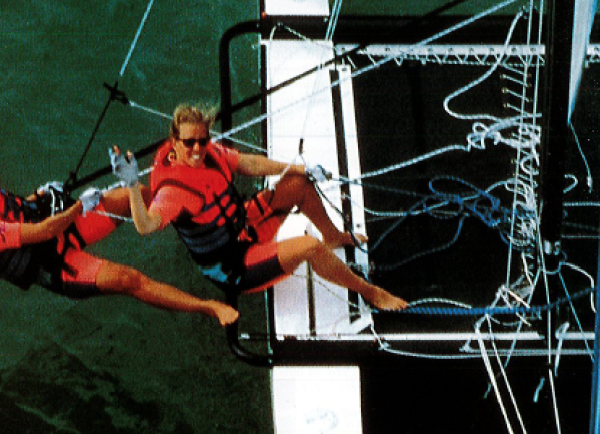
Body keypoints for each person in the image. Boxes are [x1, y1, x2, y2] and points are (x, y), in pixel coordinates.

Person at [112, 103, 408, 311]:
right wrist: (131, 185)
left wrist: (300, 168)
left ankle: (333, 236)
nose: (198, 149)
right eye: (189, 143)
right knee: (309, 247)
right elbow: (146, 225)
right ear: (174, 142)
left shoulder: (209, 152)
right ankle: (371, 292)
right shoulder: (172, 192)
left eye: (203, 140)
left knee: (298, 183)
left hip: (244, 224)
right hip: (233, 265)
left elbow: (249, 163)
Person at [0, 182, 238, 326]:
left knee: (138, 196)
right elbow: (45, 231)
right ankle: (209, 307)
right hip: (56, 263)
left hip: (59, 227)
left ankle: (207, 227)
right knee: (128, 279)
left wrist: (39, 195)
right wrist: (80, 206)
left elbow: (14, 211)